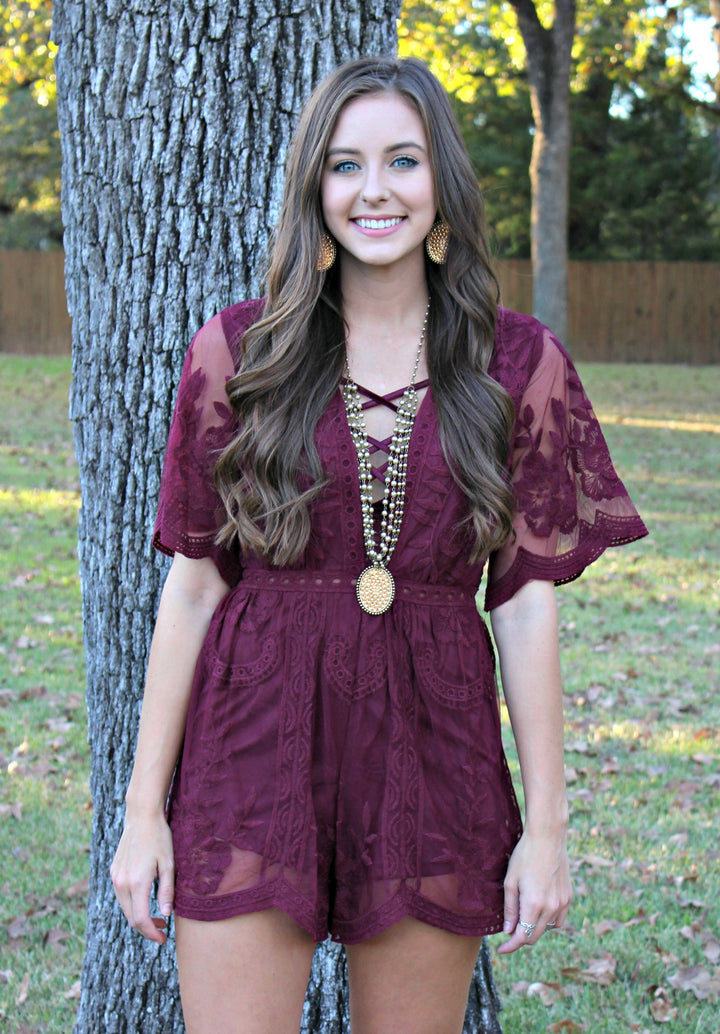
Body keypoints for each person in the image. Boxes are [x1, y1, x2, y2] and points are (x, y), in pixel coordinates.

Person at [111, 56, 647, 1034]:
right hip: (252, 743)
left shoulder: (519, 365)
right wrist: (144, 807)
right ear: (317, 187)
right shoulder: (242, 353)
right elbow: (193, 585)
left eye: (402, 160)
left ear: (440, 180)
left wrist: (549, 825)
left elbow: (525, 600)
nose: (375, 189)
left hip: (431, 750)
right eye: (346, 165)